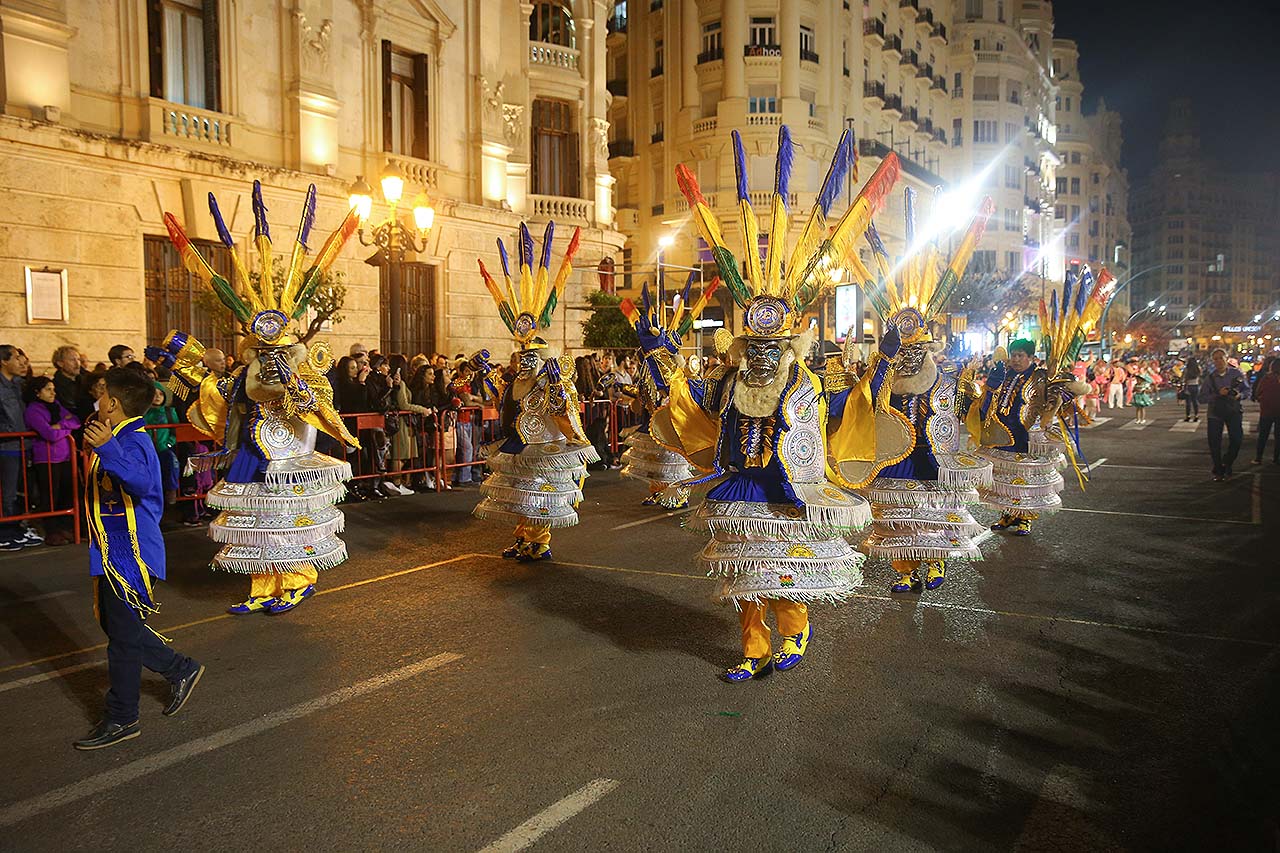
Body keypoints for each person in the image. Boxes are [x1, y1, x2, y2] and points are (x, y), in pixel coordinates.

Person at [642, 125, 885, 682]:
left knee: (784, 570)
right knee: (747, 570)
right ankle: (753, 647)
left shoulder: (806, 384)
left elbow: (838, 415)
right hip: (740, 485)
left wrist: (880, 373)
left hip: (789, 488)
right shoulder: (729, 382)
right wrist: (661, 360)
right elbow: (693, 407)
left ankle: (794, 634)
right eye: (756, 346)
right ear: (745, 344)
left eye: (772, 347)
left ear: (787, 344)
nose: (763, 355)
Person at [151, 178, 361, 614]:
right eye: (263, 352)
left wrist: (295, 385)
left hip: (292, 464)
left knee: (289, 523)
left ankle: (299, 582)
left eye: (276, 351)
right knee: (257, 524)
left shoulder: (305, 372)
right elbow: (219, 402)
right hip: (252, 455)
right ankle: (262, 587)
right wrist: (187, 371)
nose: (269, 358)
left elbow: (319, 410)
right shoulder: (245, 375)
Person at [848, 193, 995, 594]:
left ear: (928, 349)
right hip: (895, 458)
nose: (910, 358)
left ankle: (934, 563)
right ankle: (905, 569)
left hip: (933, 461)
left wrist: (978, 390)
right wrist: (879, 364)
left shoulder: (947, 377)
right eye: (904, 351)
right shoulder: (886, 377)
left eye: (917, 350)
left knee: (932, 515)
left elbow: (969, 412)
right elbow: (865, 403)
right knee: (896, 517)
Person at [75, 367, 204, 750]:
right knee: (118, 628)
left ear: (113, 403)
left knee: (122, 641)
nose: (97, 401)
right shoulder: (116, 435)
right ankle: (179, 668)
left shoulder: (132, 441)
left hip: (130, 554)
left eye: (101, 395)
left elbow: (142, 482)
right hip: (112, 550)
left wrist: (108, 450)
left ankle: (123, 717)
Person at [473, 221, 595, 562]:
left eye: (531, 356)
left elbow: (565, 412)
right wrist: (485, 375)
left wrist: (557, 387)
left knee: (540, 496)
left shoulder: (552, 381)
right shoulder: (516, 380)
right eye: (522, 354)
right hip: (519, 446)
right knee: (519, 495)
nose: (524, 360)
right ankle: (523, 537)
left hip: (544, 448)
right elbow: (502, 402)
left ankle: (539, 541)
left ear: (541, 357)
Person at [22, 375, 80, 546]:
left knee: (66, 495)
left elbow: (76, 422)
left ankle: (66, 528)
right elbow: (49, 434)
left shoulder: (57, 406)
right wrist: (65, 428)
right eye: (48, 389)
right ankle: (51, 531)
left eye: (53, 389)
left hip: (65, 457)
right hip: (47, 459)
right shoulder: (33, 410)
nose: (52, 393)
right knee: (50, 497)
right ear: (37, 392)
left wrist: (60, 426)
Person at [0, 344, 35, 551]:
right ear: (4, 361)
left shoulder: (18, 384)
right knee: (8, 491)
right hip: (7, 445)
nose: (21, 361)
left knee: (20, 491)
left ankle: (16, 526)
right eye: (16, 357)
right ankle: (5, 531)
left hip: (23, 443)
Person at [1198, 348, 1247, 481]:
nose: (1219, 361)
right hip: (1215, 412)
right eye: (1216, 359)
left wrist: (1239, 395)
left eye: (1221, 357)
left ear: (1227, 358)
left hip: (1233, 410)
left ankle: (1227, 462)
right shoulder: (1210, 378)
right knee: (1214, 442)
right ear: (1212, 361)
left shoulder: (1236, 373)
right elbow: (1201, 398)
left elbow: (1247, 390)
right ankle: (1219, 470)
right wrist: (1217, 394)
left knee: (1237, 439)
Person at [144, 381, 181, 507]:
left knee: (171, 462)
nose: (158, 397)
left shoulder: (169, 412)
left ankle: (171, 490)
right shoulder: (143, 413)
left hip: (164, 448)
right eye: (154, 394)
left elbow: (175, 431)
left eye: (161, 394)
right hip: (148, 450)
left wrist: (169, 444)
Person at [1251, 358, 1280, 466]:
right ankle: (1276, 458)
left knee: (1263, 435)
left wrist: (1260, 398)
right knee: (1278, 437)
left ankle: (1258, 458)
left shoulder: (1267, 378)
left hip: (1267, 410)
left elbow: (1258, 391)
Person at [52, 344, 85, 414]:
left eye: (78, 359)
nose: (77, 363)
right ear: (60, 363)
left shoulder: (86, 381)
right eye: (72, 360)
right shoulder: (55, 386)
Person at [1182, 356, 1202, 422]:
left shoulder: (1187, 369)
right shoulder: (1198, 369)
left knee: (1188, 402)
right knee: (1195, 401)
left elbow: (1185, 378)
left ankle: (1188, 416)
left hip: (1189, 386)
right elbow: (1200, 375)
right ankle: (1196, 415)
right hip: (1195, 386)